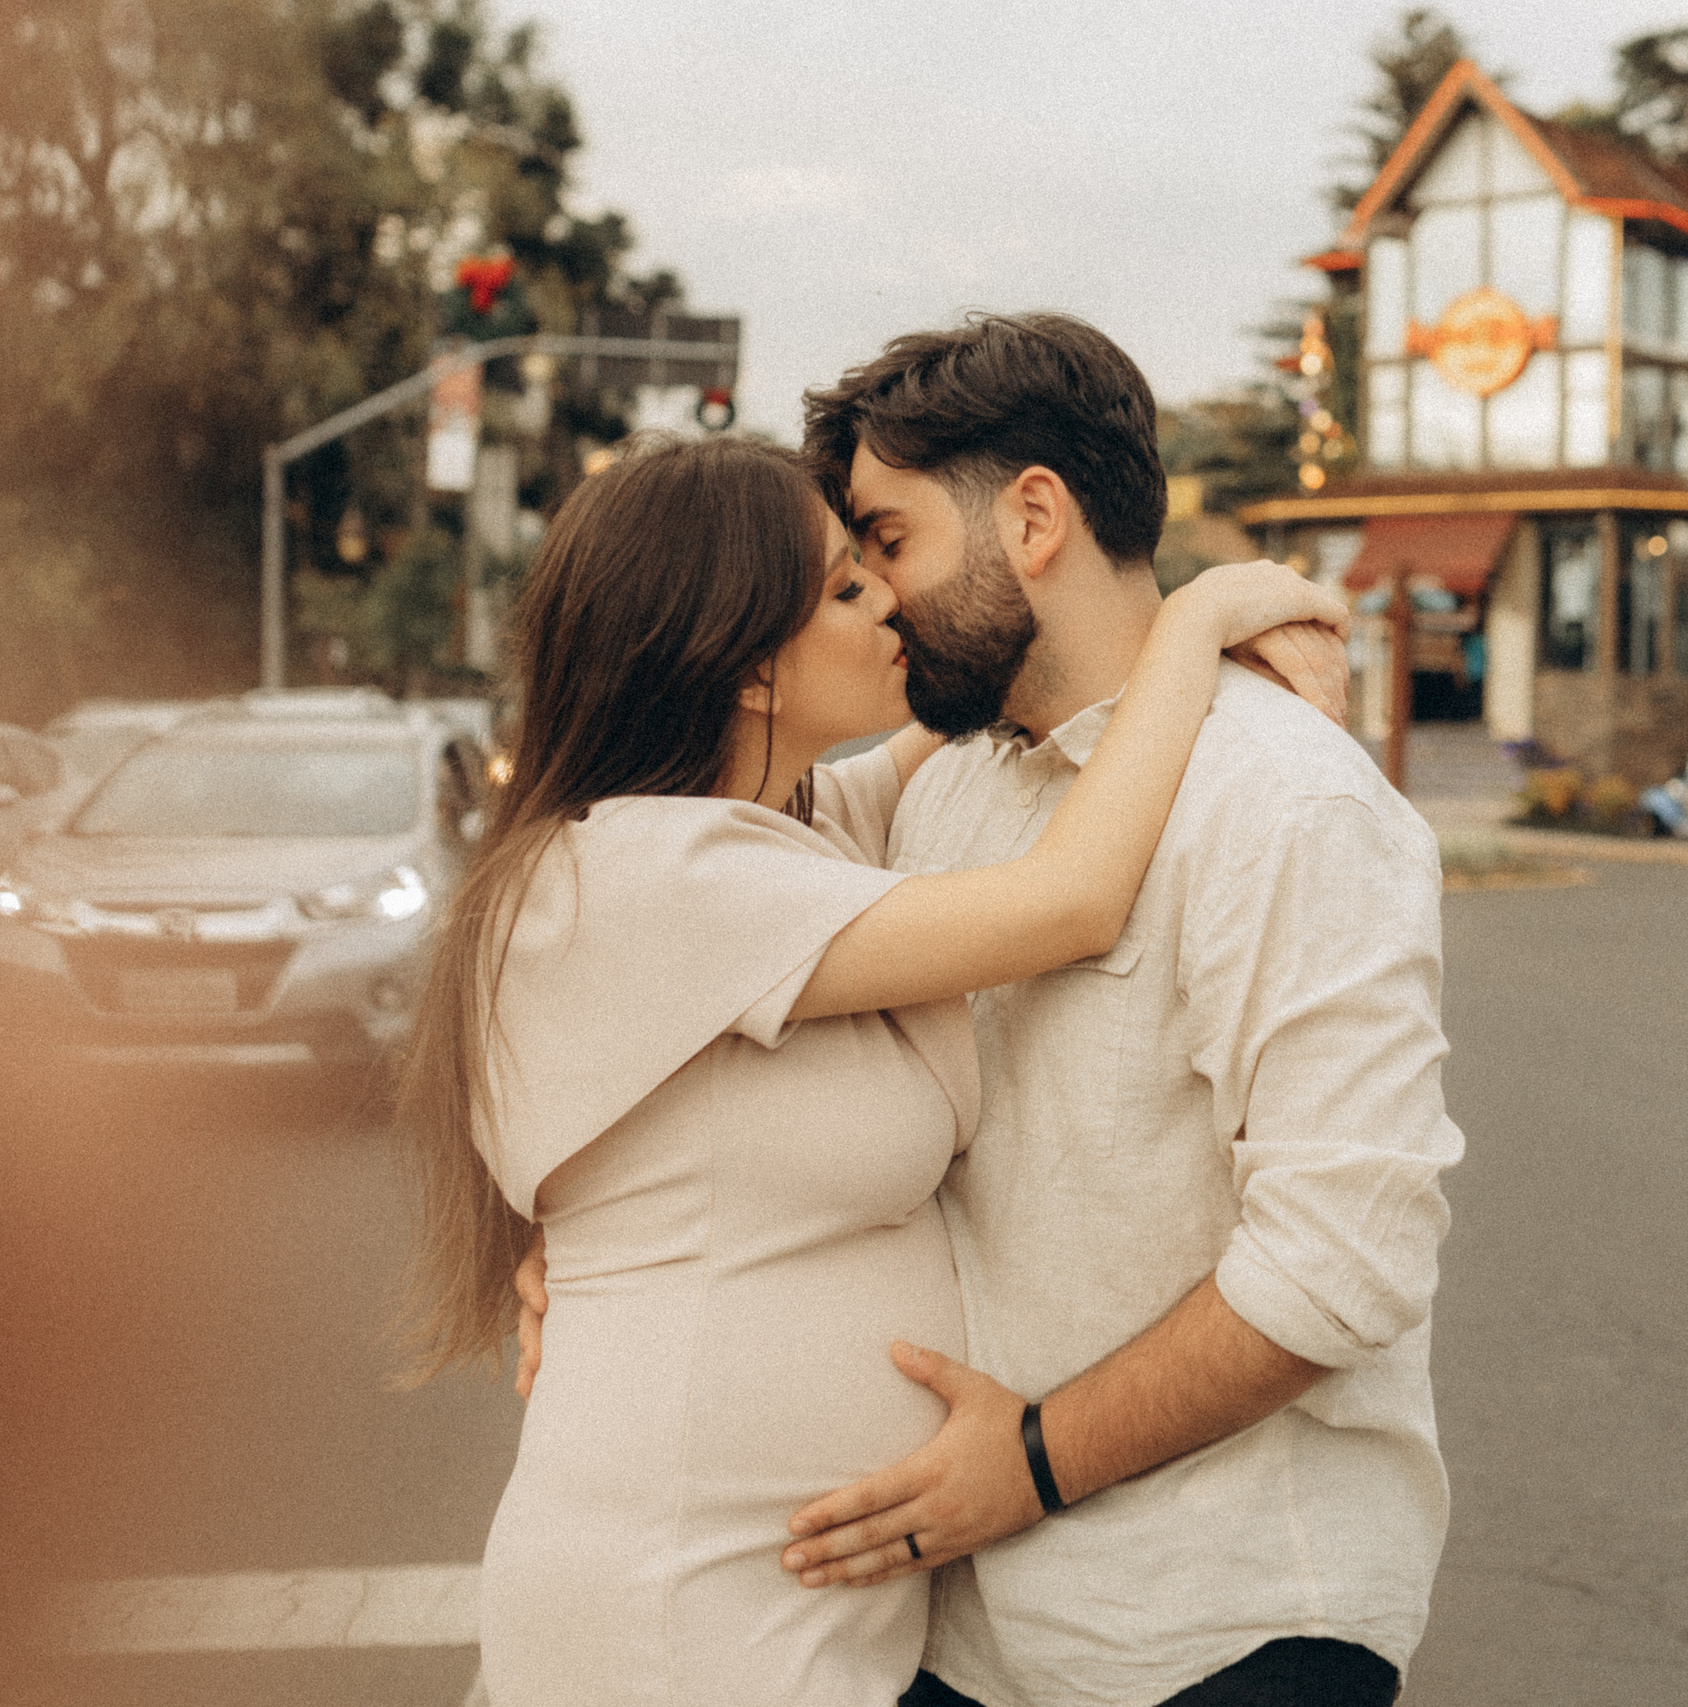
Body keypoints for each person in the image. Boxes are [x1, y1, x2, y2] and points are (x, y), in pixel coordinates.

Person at [519, 313, 1465, 1707]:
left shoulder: (1289, 799)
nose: (878, 600)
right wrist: (571, 1244)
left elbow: (1344, 1260)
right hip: (955, 1631)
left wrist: (1030, 1459)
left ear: (1033, 519)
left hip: (1215, 1627)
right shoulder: (941, 789)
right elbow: (656, 1006)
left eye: (887, 544)